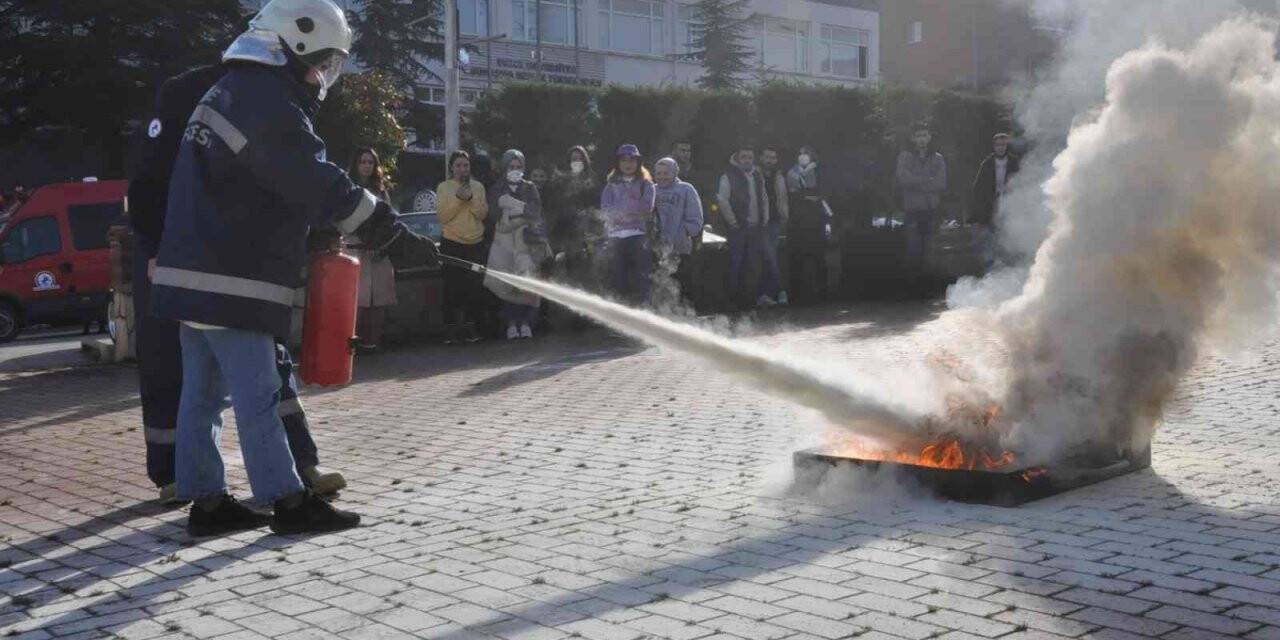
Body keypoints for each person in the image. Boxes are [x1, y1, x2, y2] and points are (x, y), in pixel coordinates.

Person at [150, 0, 437, 537]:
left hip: (193, 269)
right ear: (292, 46)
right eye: (321, 62)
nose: (322, 75)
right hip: (231, 275)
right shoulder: (265, 99)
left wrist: (318, 228)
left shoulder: (231, 90)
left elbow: (259, 184)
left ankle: (207, 503)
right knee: (259, 392)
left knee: (202, 394)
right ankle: (287, 501)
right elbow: (310, 176)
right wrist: (385, 228)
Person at [127, 65, 345, 505]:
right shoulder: (190, 89)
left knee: (249, 372)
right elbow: (150, 180)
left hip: (235, 259)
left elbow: (285, 178)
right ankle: (200, 479)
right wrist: (153, 246)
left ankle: (283, 467)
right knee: (186, 371)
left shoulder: (269, 91)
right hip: (181, 255)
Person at [484, 149, 548, 340]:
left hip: (526, 239)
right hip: (503, 239)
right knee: (507, 283)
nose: (515, 170)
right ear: (505, 167)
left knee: (527, 280)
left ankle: (527, 322)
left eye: (519, 166)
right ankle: (511, 324)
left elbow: (535, 211)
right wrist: (516, 211)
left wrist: (513, 205)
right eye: (511, 166)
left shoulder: (530, 187)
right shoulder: (497, 188)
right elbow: (493, 214)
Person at [437, 150, 489, 344]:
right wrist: (459, 199)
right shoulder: (444, 187)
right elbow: (443, 216)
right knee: (452, 288)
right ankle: (451, 330)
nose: (462, 169)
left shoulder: (478, 186)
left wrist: (470, 198)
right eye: (458, 165)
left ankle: (473, 329)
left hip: (475, 243)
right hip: (452, 243)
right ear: (451, 168)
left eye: (466, 165)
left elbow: (482, 214)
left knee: (474, 288)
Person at [348, 148, 397, 353]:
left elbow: (388, 218)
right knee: (355, 299)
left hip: (377, 249)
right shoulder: (349, 188)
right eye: (363, 162)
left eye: (370, 162)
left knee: (379, 299)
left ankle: (373, 341)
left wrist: (380, 244)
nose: (367, 166)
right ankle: (354, 341)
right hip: (355, 247)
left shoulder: (381, 190)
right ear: (356, 164)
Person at [600, 144, 657, 304]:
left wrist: (626, 215)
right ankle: (619, 312)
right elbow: (605, 210)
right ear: (618, 163)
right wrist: (625, 216)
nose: (628, 164)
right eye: (624, 160)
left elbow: (647, 208)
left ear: (638, 162)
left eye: (632, 160)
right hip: (615, 238)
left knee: (641, 278)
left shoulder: (646, 184)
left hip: (638, 237)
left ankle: (643, 311)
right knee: (618, 279)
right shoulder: (610, 185)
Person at [717, 146, 771, 309]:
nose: (747, 160)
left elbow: (764, 197)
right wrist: (732, 222)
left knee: (753, 265)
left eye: (750, 157)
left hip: (756, 227)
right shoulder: (728, 176)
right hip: (738, 228)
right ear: (737, 158)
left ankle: (749, 301)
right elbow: (723, 200)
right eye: (744, 157)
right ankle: (733, 302)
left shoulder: (757, 176)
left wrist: (765, 218)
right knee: (736, 264)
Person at [895, 122, 947, 287]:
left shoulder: (938, 158)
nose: (922, 139)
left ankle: (929, 286)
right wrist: (927, 180)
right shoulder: (905, 156)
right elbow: (903, 179)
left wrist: (916, 183)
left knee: (930, 250)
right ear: (912, 138)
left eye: (924, 135)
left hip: (931, 209)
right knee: (913, 249)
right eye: (918, 136)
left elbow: (941, 183)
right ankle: (912, 286)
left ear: (930, 137)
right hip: (912, 210)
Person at [651, 157, 704, 309]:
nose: (662, 176)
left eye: (666, 173)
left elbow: (696, 217)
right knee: (660, 283)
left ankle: (686, 314)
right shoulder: (651, 190)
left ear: (674, 172)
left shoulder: (686, 189)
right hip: (657, 248)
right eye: (659, 173)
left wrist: (685, 231)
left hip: (680, 247)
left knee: (682, 283)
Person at [786, 146, 830, 305]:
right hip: (797, 221)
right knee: (796, 258)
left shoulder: (819, 171)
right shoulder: (791, 173)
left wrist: (807, 196)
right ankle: (796, 296)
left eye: (806, 154)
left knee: (819, 257)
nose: (803, 157)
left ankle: (823, 294)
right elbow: (792, 196)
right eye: (800, 154)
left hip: (816, 220)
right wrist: (808, 196)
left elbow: (821, 194)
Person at [758, 147, 789, 307]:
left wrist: (784, 216)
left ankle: (765, 294)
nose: (770, 160)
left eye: (773, 157)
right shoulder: (755, 175)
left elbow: (783, 198)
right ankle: (780, 291)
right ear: (761, 158)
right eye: (767, 157)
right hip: (761, 222)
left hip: (776, 221)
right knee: (770, 256)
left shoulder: (779, 176)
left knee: (768, 257)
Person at [970, 132, 1020, 229]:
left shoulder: (1014, 162)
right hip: (991, 204)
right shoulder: (987, 163)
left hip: (1010, 202)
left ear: (1007, 146)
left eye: (1003, 145)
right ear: (994, 146)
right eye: (998, 145)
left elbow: (1021, 182)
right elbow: (978, 187)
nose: (1000, 148)